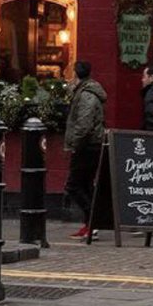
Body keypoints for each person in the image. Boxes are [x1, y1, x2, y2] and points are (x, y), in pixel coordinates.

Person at [63, 61, 107, 240]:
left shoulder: (87, 95)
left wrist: (74, 143)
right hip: (90, 145)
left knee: (73, 185)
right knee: (86, 185)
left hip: (87, 146)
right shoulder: (85, 91)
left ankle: (93, 221)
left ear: (76, 73)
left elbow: (84, 123)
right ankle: (90, 225)